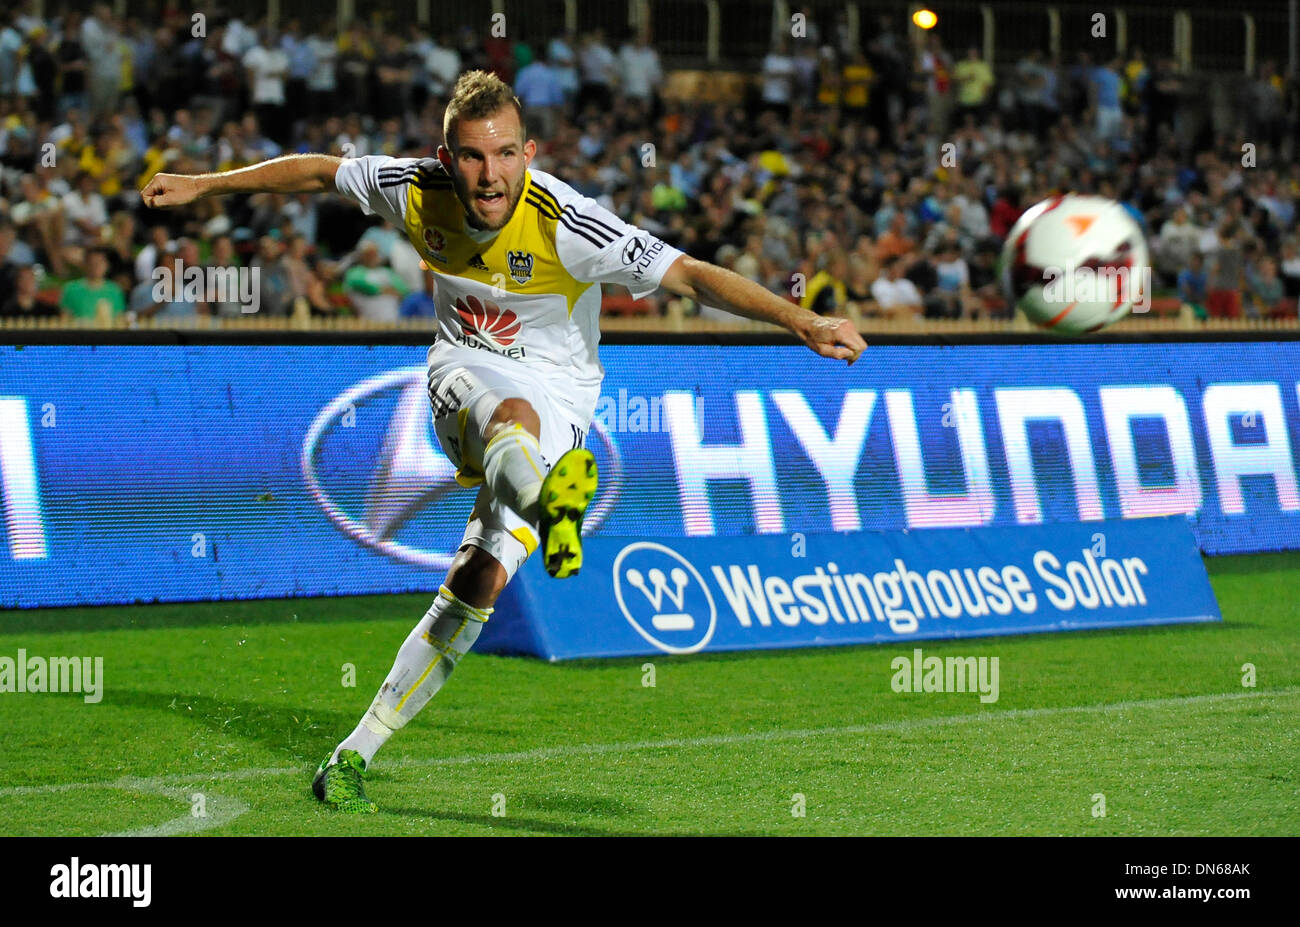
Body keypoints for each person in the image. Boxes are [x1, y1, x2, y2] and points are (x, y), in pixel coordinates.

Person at [141, 70, 864, 813]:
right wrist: (205, 184)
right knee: (506, 410)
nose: (491, 175)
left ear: (530, 151)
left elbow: (690, 276)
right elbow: (320, 170)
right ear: (447, 155)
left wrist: (801, 320)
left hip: (564, 405)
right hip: (465, 376)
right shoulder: (416, 189)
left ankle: (352, 755)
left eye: (507, 154)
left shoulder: (568, 223)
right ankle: (553, 505)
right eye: (474, 156)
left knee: (477, 580)